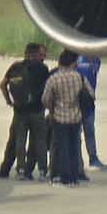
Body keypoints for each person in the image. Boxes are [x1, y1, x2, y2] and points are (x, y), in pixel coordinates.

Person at [0, 44, 48, 181]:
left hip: (19, 110)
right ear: (35, 54)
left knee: (20, 140)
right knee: (40, 142)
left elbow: (3, 85)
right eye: (40, 54)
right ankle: (42, 170)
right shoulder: (42, 69)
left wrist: (9, 100)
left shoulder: (15, 67)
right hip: (37, 110)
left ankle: (20, 169)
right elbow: (47, 88)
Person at [42, 52, 89, 185]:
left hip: (59, 117)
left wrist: (52, 108)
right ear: (73, 63)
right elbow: (90, 94)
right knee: (74, 148)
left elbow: (45, 99)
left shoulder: (54, 78)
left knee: (62, 148)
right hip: (76, 117)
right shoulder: (79, 77)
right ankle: (75, 177)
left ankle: (65, 177)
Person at [74, 53, 107, 171]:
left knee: (90, 130)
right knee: (76, 132)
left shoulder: (96, 60)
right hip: (75, 100)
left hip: (88, 101)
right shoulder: (76, 57)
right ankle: (77, 161)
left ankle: (93, 159)